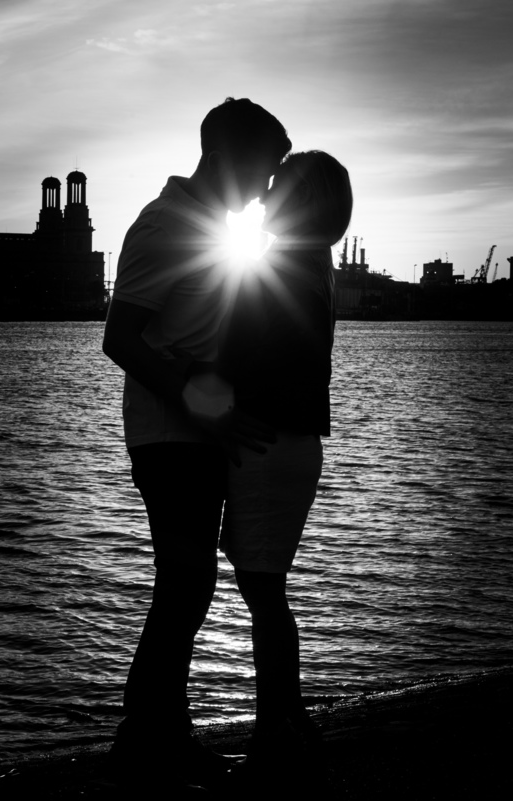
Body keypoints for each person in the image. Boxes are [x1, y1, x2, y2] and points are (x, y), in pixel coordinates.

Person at [101, 97, 292, 790]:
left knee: (189, 584)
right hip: (168, 434)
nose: (267, 188)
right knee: (185, 582)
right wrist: (195, 403)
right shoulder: (165, 225)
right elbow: (119, 338)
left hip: (196, 430)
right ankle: (147, 738)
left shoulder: (214, 227)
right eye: (265, 171)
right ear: (230, 158)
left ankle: (156, 735)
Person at [217, 151, 352, 785]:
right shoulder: (315, 267)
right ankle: (286, 719)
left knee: (264, 595)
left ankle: (276, 727)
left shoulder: (277, 267)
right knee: (266, 592)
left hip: (268, 446)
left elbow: (240, 355)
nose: (265, 191)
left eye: (278, 184)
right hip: (293, 446)